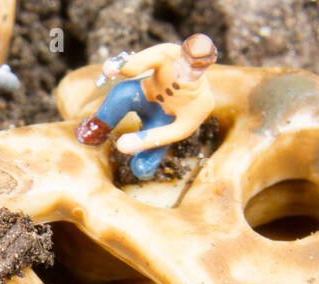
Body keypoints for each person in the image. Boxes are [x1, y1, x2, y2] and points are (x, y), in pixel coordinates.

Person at [74, 34, 218, 181]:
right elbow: (138, 63)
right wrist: (118, 67)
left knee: (142, 168)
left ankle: (157, 173)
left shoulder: (203, 99)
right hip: (144, 95)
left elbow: (180, 129)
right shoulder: (168, 52)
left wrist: (141, 140)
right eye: (185, 62)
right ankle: (99, 126)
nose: (187, 71)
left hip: (163, 121)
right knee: (123, 93)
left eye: (196, 69)